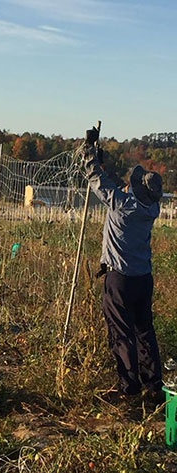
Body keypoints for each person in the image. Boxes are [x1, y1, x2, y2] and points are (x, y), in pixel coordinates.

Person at [82, 127, 163, 399]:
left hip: (119, 280)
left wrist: (89, 149)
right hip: (143, 278)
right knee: (144, 331)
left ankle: (128, 387)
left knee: (121, 333)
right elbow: (117, 185)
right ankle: (153, 386)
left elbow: (95, 179)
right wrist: (104, 164)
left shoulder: (119, 203)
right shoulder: (150, 208)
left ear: (136, 190)